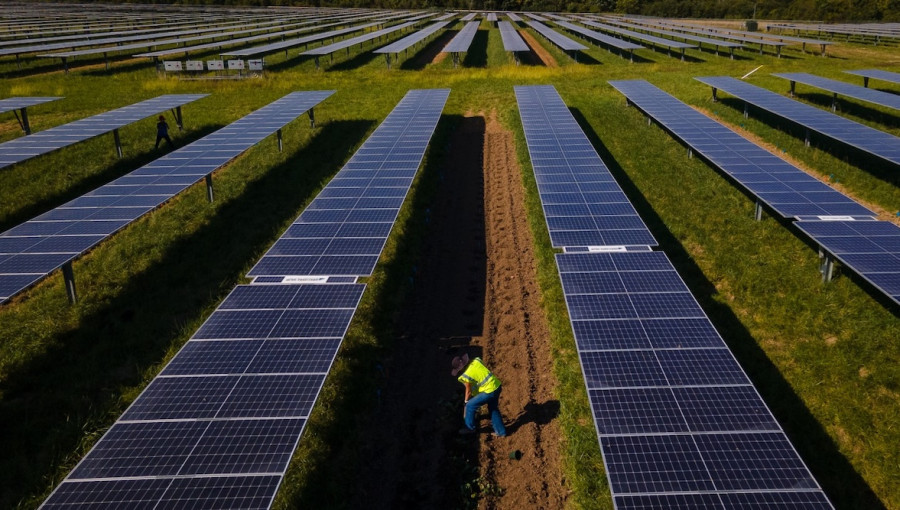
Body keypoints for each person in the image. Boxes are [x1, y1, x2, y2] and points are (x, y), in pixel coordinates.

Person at [452, 353, 506, 437]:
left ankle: (470, 428)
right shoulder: (477, 361)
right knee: (493, 408)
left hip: (489, 391)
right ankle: (501, 432)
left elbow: (468, 391)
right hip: (497, 386)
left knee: (470, 405)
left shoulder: (466, 375)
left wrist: (466, 402)